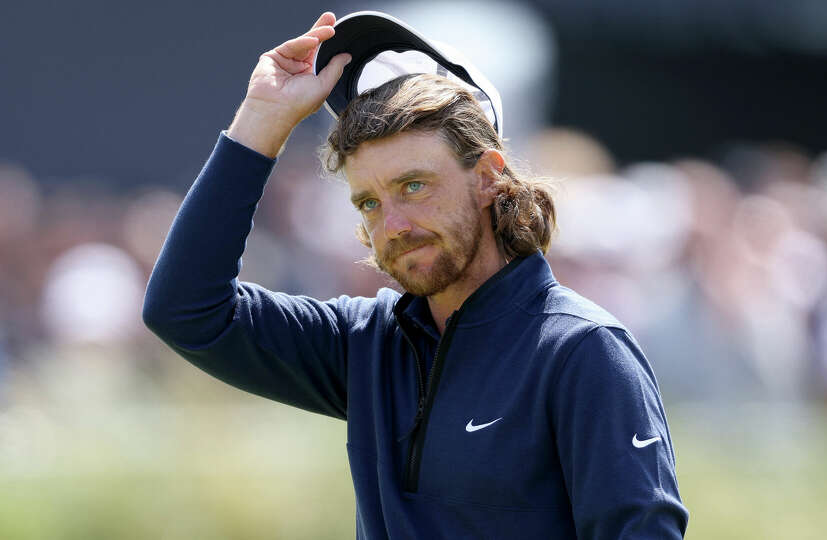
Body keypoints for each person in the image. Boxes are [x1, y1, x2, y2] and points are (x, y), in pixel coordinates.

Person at [143, 11, 688, 539]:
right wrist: (261, 121)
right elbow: (186, 309)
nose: (395, 224)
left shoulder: (584, 352)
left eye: (414, 186)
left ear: (489, 179)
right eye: (369, 203)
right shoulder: (365, 344)